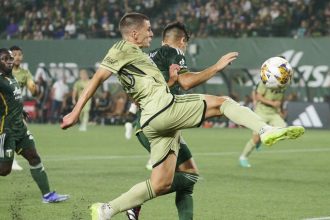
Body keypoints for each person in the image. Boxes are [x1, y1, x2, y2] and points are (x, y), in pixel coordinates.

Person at [60, 13, 304, 219]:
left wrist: (171, 81)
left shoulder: (138, 57)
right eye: (147, 29)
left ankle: (106, 210)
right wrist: (75, 111)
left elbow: (139, 91)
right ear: (134, 34)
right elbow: (97, 79)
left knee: (171, 181)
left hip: (150, 121)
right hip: (164, 110)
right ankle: (266, 130)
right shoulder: (127, 49)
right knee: (223, 103)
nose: (151, 33)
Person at [127, 21, 243, 220]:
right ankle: (134, 200)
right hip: (160, 126)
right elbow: (187, 82)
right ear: (182, 41)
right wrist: (217, 66)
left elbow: (134, 93)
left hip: (149, 124)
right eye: (186, 44)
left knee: (188, 177)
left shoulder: (147, 57)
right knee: (179, 178)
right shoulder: (175, 51)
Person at [0, 48, 69, 203]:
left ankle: (47, 195)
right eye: (5, 59)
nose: (10, 61)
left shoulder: (11, 77)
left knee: (34, 157)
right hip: (7, 131)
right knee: (4, 170)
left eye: (10, 58)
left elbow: (12, 99)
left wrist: (21, 109)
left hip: (20, 129)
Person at [239, 77, 290, 168]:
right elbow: (258, 96)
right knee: (256, 139)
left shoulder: (285, 84)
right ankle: (243, 157)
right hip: (261, 111)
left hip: (274, 113)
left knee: (283, 131)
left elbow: (280, 99)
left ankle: (265, 137)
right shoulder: (265, 82)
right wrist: (272, 103)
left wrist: (280, 111)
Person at [10, 45, 38, 171]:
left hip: (15, 110)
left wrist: (34, 88)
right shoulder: (4, 70)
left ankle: (15, 160)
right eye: (14, 54)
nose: (17, 57)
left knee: (23, 132)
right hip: (3, 108)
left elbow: (32, 88)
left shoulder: (25, 73)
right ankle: (11, 160)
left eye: (19, 54)